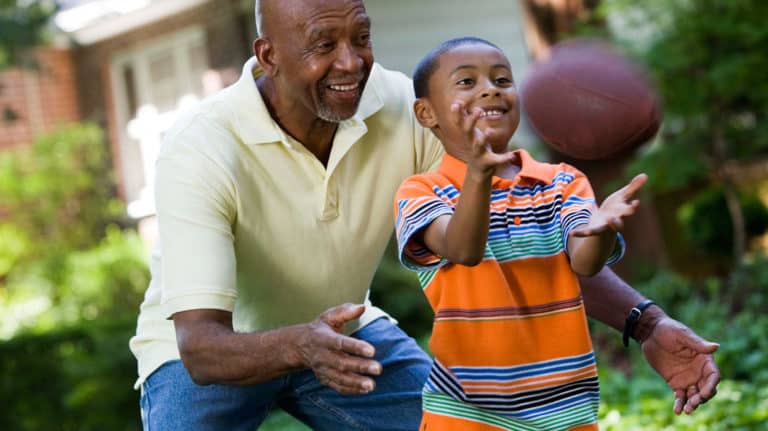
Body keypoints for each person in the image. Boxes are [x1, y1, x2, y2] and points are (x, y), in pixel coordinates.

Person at [128, 1, 720, 430]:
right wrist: (297, 347)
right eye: (323, 44)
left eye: (361, 36)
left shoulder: (402, 109)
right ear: (268, 55)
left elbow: (529, 231)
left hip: (346, 330)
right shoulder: (201, 147)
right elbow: (201, 347)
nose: (351, 62)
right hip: (211, 353)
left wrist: (647, 323)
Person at [394, 36, 651, 430]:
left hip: (565, 409)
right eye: (467, 82)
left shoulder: (562, 181)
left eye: (502, 79)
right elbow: (461, 248)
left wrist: (599, 230)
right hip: (466, 413)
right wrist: (479, 175)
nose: (489, 89)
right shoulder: (422, 190)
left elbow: (584, 261)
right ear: (427, 113)